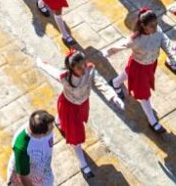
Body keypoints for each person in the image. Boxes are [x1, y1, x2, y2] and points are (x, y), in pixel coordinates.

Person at [34, 51, 122, 180]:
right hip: (69, 106)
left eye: (84, 65)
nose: (83, 69)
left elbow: (101, 83)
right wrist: (40, 63)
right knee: (76, 136)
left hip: (83, 104)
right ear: (71, 68)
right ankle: (83, 163)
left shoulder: (90, 70)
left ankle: (59, 121)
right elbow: (50, 70)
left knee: (69, 123)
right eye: (79, 67)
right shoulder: (64, 77)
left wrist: (113, 96)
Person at [104, 8, 176, 133]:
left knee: (129, 72)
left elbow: (166, 45)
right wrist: (108, 51)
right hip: (139, 66)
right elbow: (122, 45)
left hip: (151, 65)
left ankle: (115, 83)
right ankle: (153, 122)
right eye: (152, 25)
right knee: (143, 95)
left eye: (156, 24)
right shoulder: (136, 39)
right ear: (143, 25)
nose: (155, 27)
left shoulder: (158, 31)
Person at [6, 110, 56, 186]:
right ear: (41, 134)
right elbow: (24, 177)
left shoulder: (40, 125)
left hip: (43, 173)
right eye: (50, 127)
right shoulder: (22, 148)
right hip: (27, 179)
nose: (53, 127)